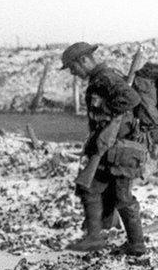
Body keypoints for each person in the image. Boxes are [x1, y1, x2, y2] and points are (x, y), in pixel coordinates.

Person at [61, 42, 147, 256]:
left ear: (84, 61)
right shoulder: (99, 79)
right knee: (90, 189)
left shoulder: (106, 78)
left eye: (73, 67)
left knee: (122, 197)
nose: (73, 72)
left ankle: (136, 245)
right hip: (107, 149)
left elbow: (131, 99)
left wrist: (109, 113)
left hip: (121, 151)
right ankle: (94, 237)